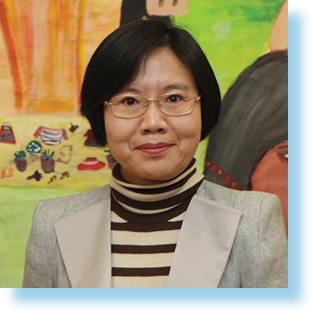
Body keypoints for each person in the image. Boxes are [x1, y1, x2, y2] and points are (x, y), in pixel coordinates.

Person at [22, 19, 287, 288]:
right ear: (100, 115)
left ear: (202, 107)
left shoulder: (254, 220)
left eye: (173, 98)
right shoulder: (52, 223)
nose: (153, 122)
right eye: (129, 101)